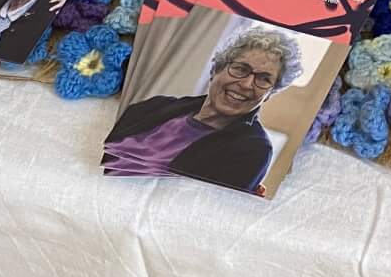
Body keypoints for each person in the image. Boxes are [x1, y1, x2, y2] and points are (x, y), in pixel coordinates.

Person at [103, 28, 304, 194]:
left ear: (269, 93)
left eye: (264, 79)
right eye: (241, 69)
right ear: (216, 70)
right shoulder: (154, 106)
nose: (246, 84)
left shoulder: (253, 150)